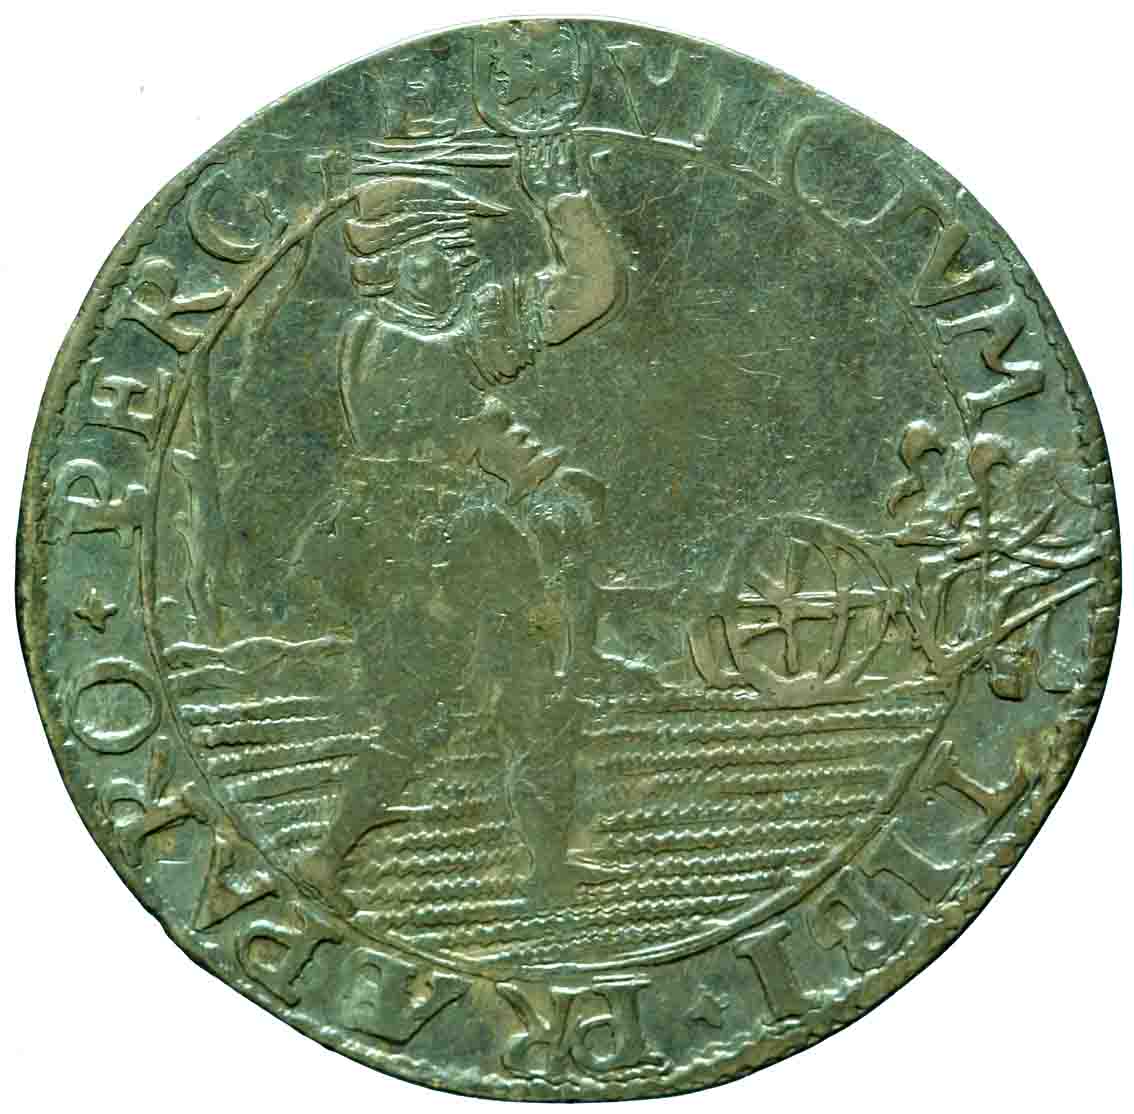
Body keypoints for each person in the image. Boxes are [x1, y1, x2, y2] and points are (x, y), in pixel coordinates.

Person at [293, 135, 624, 911]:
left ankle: (546, 871)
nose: (459, 268)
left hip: (453, 540)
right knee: (423, 715)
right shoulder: (404, 341)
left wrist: (565, 203)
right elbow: (460, 416)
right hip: (417, 547)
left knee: (530, 698)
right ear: (401, 263)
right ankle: (328, 859)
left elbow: (584, 294)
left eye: (457, 254)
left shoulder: (425, 331)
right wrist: (522, 468)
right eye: (444, 254)